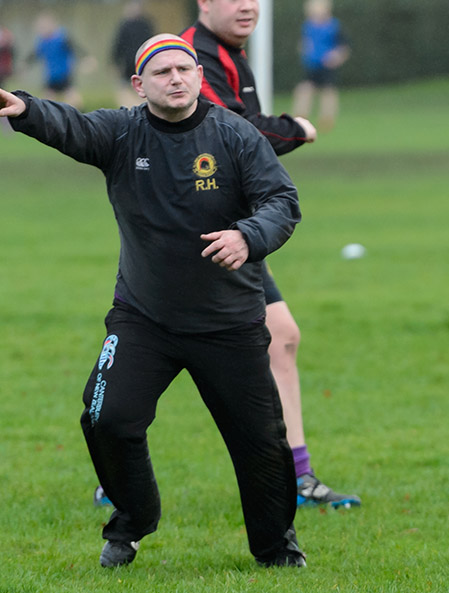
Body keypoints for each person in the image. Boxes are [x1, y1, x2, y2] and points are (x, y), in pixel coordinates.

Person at [0, 34, 305, 569]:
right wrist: (26, 109)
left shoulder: (235, 135)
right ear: (140, 84)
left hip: (229, 323)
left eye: (184, 69)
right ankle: (132, 521)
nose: (176, 78)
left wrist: (248, 236)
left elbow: (281, 201)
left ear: (199, 78)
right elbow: (73, 127)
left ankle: (275, 547)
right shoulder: (121, 133)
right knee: (105, 416)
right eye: (162, 72)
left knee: (261, 445)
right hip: (144, 318)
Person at [182, 0, 360, 510]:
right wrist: (296, 129)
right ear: (204, 4)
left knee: (280, 339)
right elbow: (238, 130)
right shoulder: (195, 55)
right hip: (199, 235)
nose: (247, 5)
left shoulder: (228, 52)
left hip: (234, 234)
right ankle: (118, 469)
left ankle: (298, 477)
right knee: (165, 352)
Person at [291, 0, 349, 132]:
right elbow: (304, 42)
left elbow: (344, 46)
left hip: (326, 65)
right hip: (311, 64)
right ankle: (300, 117)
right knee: (304, 89)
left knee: (328, 92)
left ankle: (327, 119)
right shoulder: (307, 26)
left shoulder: (334, 26)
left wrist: (336, 57)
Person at [28, 11, 82, 107]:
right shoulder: (42, 41)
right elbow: (35, 54)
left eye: (44, 26)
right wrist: (25, 64)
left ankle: (82, 115)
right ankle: (49, 119)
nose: (42, 29)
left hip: (64, 73)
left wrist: (85, 59)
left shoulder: (62, 37)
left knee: (71, 96)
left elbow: (75, 48)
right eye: (40, 27)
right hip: (50, 75)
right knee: (46, 100)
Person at [110, 1, 154, 106]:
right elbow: (118, 44)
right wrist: (115, 61)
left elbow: (151, 43)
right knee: (125, 88)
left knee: (140, 87)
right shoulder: (126, 25)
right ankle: (130, 109)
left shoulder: (145, 24)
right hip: (131, 62)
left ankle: (141, 109)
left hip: (141, 61)